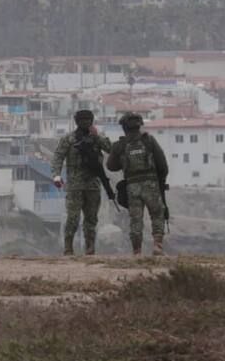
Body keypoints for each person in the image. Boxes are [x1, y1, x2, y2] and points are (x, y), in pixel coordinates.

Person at [50, 109, 113, 256]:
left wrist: (96, 137)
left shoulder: (97, 138)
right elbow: (58, 157)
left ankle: (90, 247)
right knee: (73, 217)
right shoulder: (69, 139)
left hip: (93, 185)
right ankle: (68, 247)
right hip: (74, 185)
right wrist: (56, 176)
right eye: (82, 120)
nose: (86, 122)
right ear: (76, 121)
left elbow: (110, 149)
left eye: (88, 119)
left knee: (91, 219)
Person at [106, 112, 169, 256]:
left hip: (132, 186)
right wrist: (161, 182)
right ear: (139, 125)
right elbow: (162, 165)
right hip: (151, 184)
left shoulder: (120, 145)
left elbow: (111, 166)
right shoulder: (149, 141)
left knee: (136, 219)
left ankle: (137, 250)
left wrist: (123, 159)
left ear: (124, 128)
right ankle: (157, 245)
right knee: (157, 214)